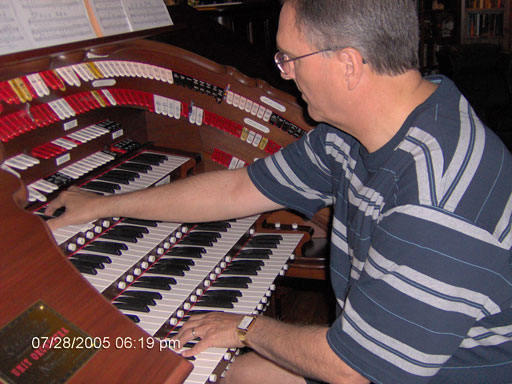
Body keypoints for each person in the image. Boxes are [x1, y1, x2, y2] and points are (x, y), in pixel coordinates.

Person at [45, 0, 512, 382]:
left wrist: (246, 328)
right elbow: (236, 190)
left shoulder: (437, 198)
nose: (285, 73)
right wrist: (103, 205)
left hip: (436, 374)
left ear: (348, 65)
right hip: (386, 351)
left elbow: (353, 370)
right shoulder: (356, 131)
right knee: (236, 376)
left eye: (289, 57)